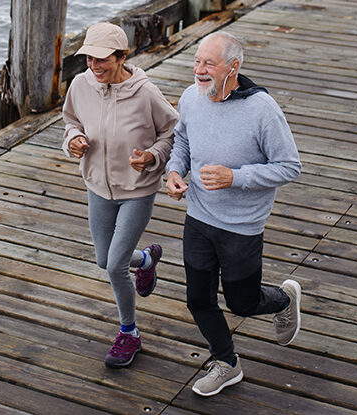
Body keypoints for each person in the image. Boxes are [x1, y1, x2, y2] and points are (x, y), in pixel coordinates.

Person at [165, 31, 303, 397]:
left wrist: (235, 177)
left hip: (241, 226)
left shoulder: (262, 110)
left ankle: (284, 300)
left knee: (242, 302)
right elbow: (182, 140)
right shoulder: (192, 98)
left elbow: (289, 166)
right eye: (197, 61)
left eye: (209, 63)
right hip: (198, 216)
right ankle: (226, 362)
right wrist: (174, 172)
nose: (199, 70)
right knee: (198, 300)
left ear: (233, 67)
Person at [62, 22, 179, 368]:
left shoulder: (145, 93)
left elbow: (173, 132)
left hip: (137, 190)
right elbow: (70, 121)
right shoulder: (81, 85)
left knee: (114, 265)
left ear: (122, 56)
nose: (94, 67)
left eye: (102, 60)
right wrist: (73, 141)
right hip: (97, 185)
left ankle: (129, 333)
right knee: (104, 259)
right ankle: (145, 260)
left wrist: (153, 157)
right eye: (89, 59)